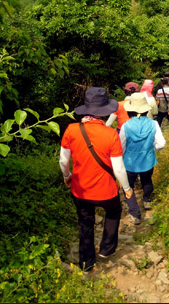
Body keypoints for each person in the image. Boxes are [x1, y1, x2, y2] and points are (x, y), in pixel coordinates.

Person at [59, 87, 134, 273]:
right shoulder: (110, 134)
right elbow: (118, 168)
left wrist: (67, 176)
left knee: (85, 223)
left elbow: (63, 161)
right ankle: (106, 249)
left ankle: (86, 263)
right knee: (114, 211)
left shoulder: (71, 130)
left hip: (80, 189)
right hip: (106, 191)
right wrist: (127, 188)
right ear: (104, 111)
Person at [120, 92, 166, 220]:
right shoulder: (154, 124)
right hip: (148, 160)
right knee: (146, 180)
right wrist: (152, 148)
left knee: (128, 186)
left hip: (130, 162)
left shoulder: (126, 126)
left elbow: (121, 147)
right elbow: (161, 143)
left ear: (130, 111)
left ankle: (134, 213)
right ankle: (146, 200)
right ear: (146, 110)